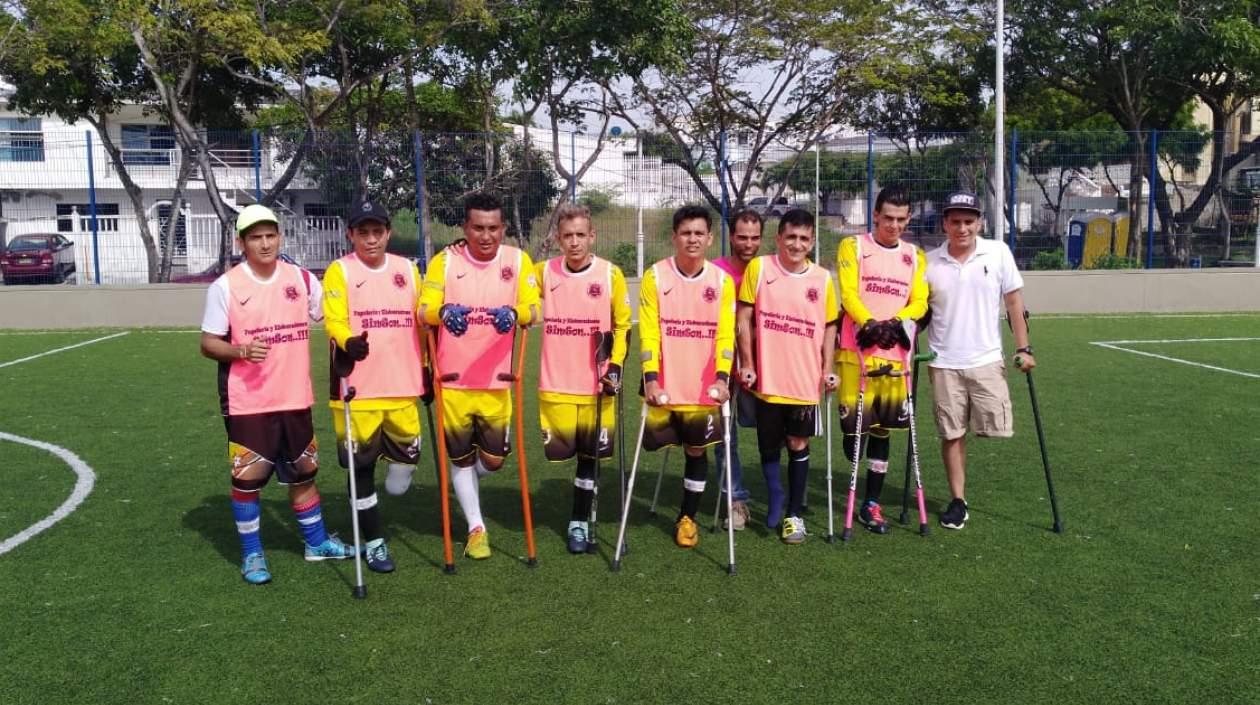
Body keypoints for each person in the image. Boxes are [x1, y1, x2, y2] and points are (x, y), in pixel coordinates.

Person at [199, 204, 354, 585]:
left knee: (303, 473)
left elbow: (333, 316)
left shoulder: (301, 279)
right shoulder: (226, 286)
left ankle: (316, 543)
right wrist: (240, 350)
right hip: (248, 401)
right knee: (248, 480)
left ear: (280, 237)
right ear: (241, 243)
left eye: (271, 235)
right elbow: (208, 343)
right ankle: (252, 554)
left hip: (296, 398)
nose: (265, 244)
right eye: (256, 237)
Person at [417, 192, 540, 560]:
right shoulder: (444, 262)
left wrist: (515, 314)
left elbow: (534, 309)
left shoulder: (518, 261)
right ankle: (476, 528)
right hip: (453, 381)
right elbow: (424, 310)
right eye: (478, 228)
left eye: (493, 228)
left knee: (494, 460)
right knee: (460, 460)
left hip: (497, 381)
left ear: (503, 228)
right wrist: (443, 311)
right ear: (465, 228)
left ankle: (466, 483)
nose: (486, 236)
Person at [322, 199, 426, 573]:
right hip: (356, 388)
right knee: (360, 469)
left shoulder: (408, 270)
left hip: (403, 385)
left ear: (388, 233)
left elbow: (421, 322)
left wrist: (427, 369)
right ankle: (375, 543)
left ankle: (397, 477)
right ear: (350, 234)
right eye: (362, 232)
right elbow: (334, 320)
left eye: (377, 232)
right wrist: (348, 341)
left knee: (402, 473)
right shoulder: (339, 271)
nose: (370, 239)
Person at [924, 191, 1035, 530]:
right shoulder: (928, 262)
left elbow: (1014, 303)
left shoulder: (998, 252)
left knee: (996, 429)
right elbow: (919, 312)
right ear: (944, 224)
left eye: (969, 221)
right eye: (955, 221)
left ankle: (962, 494)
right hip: (943, 361)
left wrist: (1024, 348)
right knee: (952, 433)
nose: (962, 228)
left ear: (980, 223)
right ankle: (958, 500)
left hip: (986, 359)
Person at [736, 209, 839, 544]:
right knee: (768, 447)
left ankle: (794, 516)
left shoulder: (823, 279)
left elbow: (830, 327)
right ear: (778, 238)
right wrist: (747, 362)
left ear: (812, 241)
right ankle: (776, 494)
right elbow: (743, 318)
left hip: (804, 382)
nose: (797, 244)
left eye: (804, 238)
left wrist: (828, 368)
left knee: (798, 443)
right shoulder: (760, 268)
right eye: (791, 237)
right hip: (768, 381)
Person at [534, 203, 632, 554]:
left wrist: (615, 367)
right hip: (556, 386)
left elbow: (623, 326)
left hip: (596, 385)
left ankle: (578, 521)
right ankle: (579, 517)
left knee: (589, 459)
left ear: (592, 236)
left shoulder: (610, 274)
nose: (574, 242)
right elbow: (506, 278)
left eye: (580, 235)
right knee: (566, 456)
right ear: (558, 239)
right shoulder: (542, 272)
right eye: (567, 236)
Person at [639, 205, 737, 549]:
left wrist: (723, 378)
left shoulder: (722, 282)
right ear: (674, 237)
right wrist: (651, 378)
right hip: (664, 384)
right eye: (686, 233)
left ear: (709, 238)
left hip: (704, 388)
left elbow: (725, 336)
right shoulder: (655, 276)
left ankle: (687, 518)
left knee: (696, 450)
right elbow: (649, 332)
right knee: (659, 446)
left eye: (699, 233)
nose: (692, 239)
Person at [835, 185, 928, 535]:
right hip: (856, 352)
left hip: (895, 355)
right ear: (875, 215)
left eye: (901, 219)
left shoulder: (915, 255)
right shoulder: (853, 246)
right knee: (853, 436)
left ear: (909, 219)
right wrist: (870, 324)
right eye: (888, 218)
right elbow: (848, 292)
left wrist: (894, 324)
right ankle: (853, 446)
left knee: (882, 430)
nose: (894, 225)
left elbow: (920, 300)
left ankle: (871, 504)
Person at [710, 209, 762, 530]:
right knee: (725, 438)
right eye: (742, 237)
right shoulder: (715, 273)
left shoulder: (766, 270)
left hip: (764, 367)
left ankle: (781, 495)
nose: (748, 244)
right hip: (723, 369)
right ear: (731, 237)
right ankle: (735, 500)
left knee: (775, 432)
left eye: (755, 238)